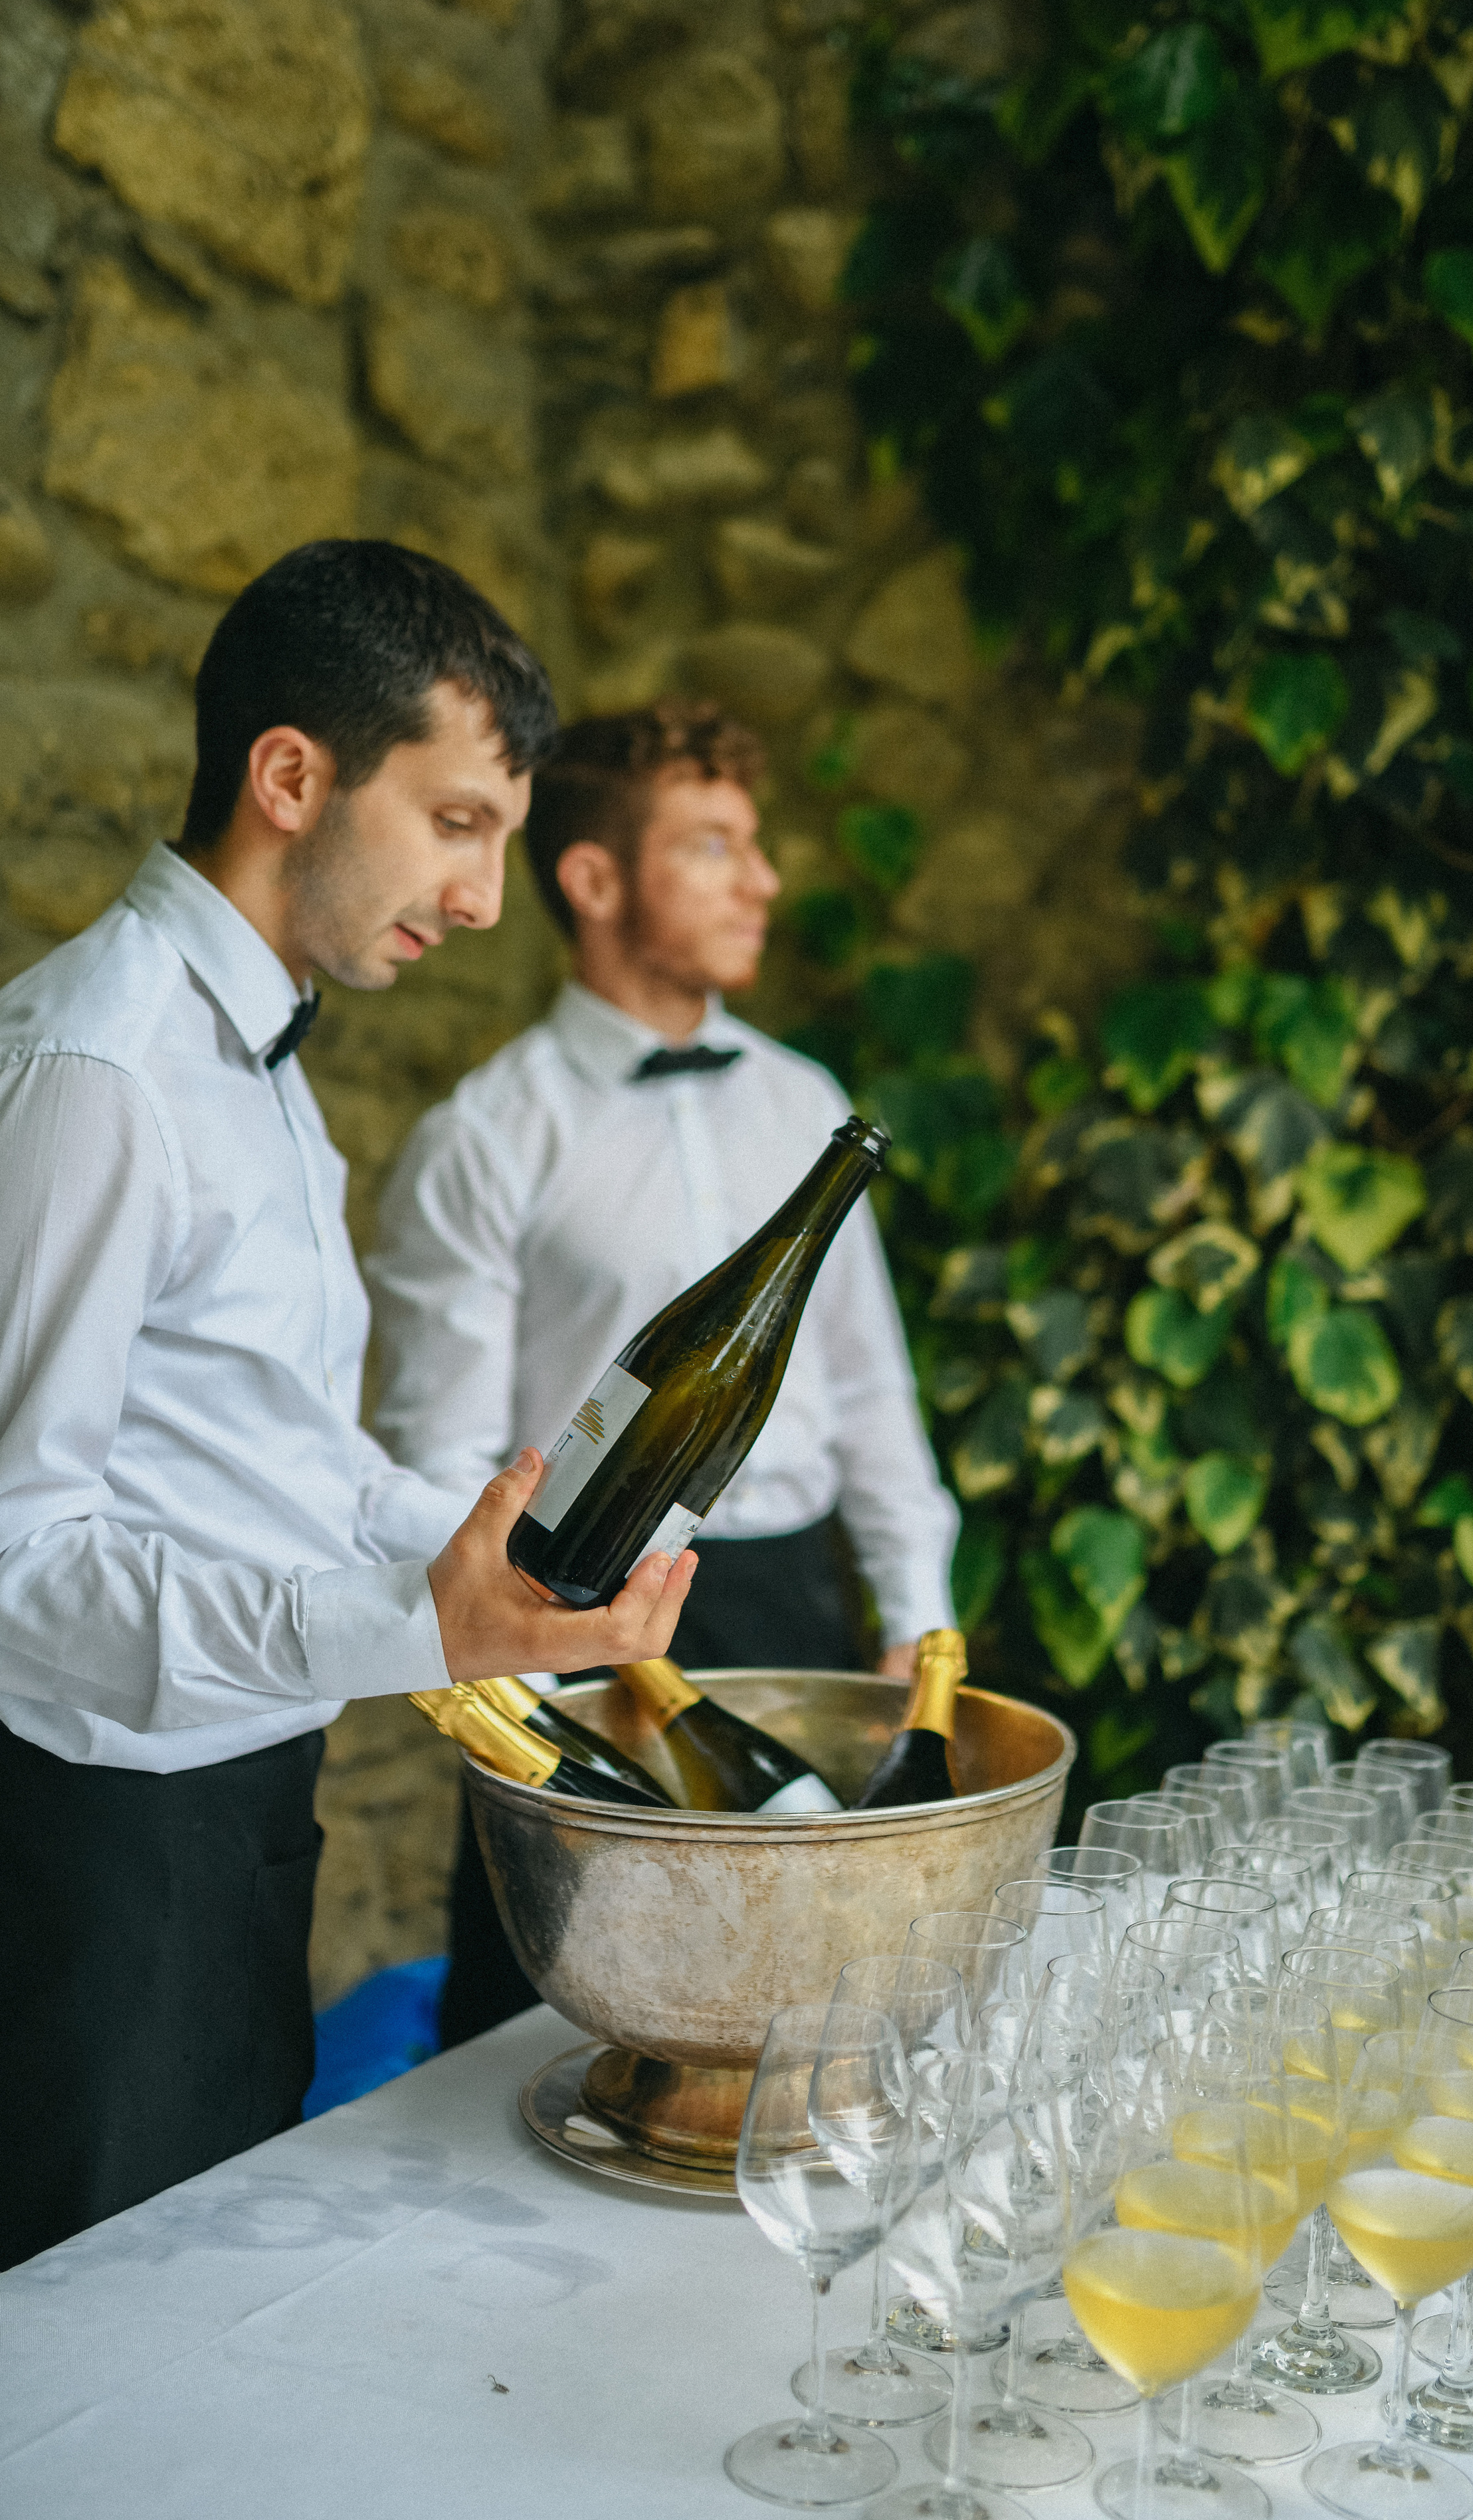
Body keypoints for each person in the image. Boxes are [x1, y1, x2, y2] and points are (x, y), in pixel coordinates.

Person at [0, 544, 695, 2270]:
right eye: (456, 823)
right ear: (291, 776)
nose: (483, 899)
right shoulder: (99, 1069)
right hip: (99, 1858)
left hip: (239, 1815)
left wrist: (524, 1558)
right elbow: (14, 1565)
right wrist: (410, 1625)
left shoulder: (263, 1066)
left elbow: (283, 1463)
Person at [368, 701, 959, 2043]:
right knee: (548, 2021)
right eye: (712, 847)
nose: (763, 881)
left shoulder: (806, 1104)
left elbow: (870, 1388)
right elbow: (441, 1454)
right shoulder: (483, 1136)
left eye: (753, 845)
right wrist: (524, 1703)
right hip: (576, 1620)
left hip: (793, 1611)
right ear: (593, 880)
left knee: (804, 2013)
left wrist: (913, 1615)